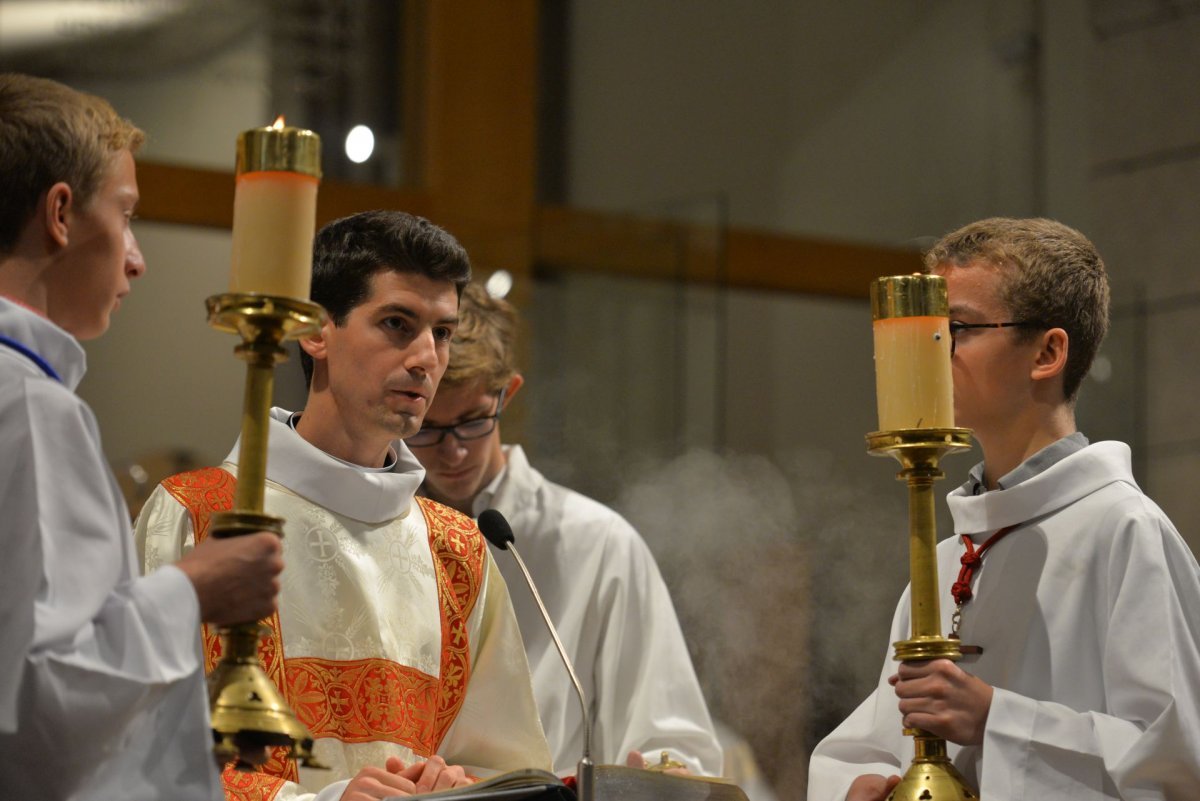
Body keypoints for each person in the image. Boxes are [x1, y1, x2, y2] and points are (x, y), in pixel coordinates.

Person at [135, 211, 551, 801]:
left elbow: (509, 775)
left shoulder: (459, 551)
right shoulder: (197, 515)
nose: (427, 358)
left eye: (442, 332)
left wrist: (452, 785)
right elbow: (137, 747)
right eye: (397, 324)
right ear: (315, 332)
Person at [807, 217, 1200, 800]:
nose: (931, 351)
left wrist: (997, 718)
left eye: (957, 328)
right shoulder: (947, 558)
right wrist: (860, 786)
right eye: (927, 330)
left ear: (1047, 351)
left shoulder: (1125, 531)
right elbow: (868, 744)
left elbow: (1177, 766)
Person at [0, 73, 283, 800]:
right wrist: (194, 586)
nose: (136, 257)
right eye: (124, 214)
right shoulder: (28, 404)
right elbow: (44, 702)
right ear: (60, 213)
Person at [408, 282, 723, 776]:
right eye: (427, 427)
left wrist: (664, 774)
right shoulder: (380, 536)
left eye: (472, 421)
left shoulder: (596, 543)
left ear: (507, 395)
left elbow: (669, 738)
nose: (453, 452)